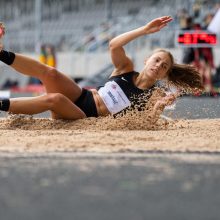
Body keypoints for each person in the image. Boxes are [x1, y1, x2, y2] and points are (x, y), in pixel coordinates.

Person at [0, 16, 203, 122]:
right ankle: (2, 54)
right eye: (157, 60)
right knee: (50, 73)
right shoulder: (126, 68)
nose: (158, 66)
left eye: (164, 66)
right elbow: (114, 45)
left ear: (165, 74)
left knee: (56, 100)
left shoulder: (154, 94)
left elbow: (147, 124)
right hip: (82, 97)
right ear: (147, 60)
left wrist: (159, 106)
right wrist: (144, 30)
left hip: (84, 116)